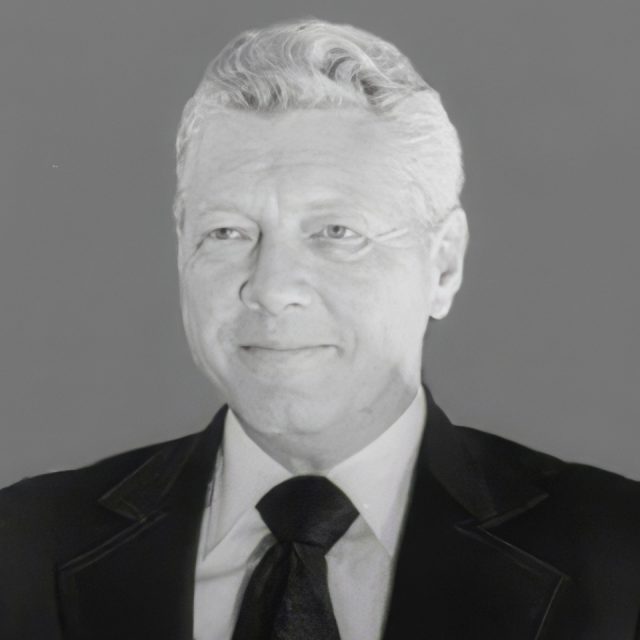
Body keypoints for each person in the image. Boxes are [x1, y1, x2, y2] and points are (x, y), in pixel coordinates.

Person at [1, 18, 639, 640]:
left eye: (337, 233)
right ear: (181, 251)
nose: (272, 287)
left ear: (443, 264)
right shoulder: (20, 546)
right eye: (227, 232)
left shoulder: (621, 555)